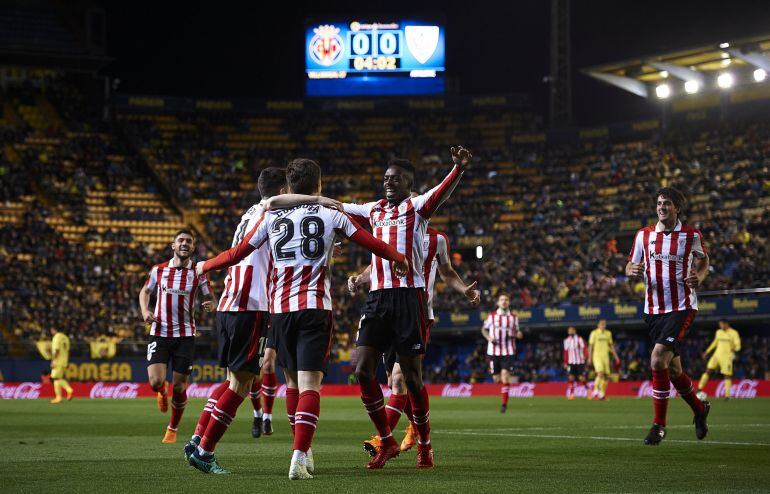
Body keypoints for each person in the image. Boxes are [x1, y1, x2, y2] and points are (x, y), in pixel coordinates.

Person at [192, 158, 409, 478]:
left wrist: (205, 266)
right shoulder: (331, 213)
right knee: (310, 385)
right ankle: (298, 457)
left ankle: (301, 454)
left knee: (291, 382)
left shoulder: (272, 216)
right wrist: (397, 256)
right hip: (314, 308)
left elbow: (237, 253)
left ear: (290, 187)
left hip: (279, 312)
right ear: (319, 185)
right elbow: (370, 241)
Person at [342, 146, 472, 469]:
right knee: (361, 368)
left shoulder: (417, 208)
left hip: (410, 301)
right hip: (378, 299)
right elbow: (339, 208)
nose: (389, 183)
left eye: (396, 179)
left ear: (408, 185)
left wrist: (457, 169)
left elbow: (441, 193)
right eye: (386, 178)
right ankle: (386, 441)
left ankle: (425, 446)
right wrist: (310, 201)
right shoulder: (373, 211)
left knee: (411, 379)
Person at [351, 225, 480, 455]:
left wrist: (465, 290)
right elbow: (376, 265)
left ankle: (382, 441)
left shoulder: (437, 239)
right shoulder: (389, 231)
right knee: (394, 382)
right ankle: (415, 426)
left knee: (401, 380)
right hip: (387, 312)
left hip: (417, 314)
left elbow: (447, 273)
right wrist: (360, 279)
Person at [626, 186, 710, 445]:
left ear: (678, 208)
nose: (662, 207)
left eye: (667, 204)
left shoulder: (691, 234)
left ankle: (658, 426)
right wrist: (631, 271)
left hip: (681, 306)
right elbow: (631, 264)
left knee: (657, 359)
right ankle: (699, 409)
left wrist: (700, 277)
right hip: (652, 310)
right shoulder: (644, 235)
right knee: (673, 370)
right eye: (659, 203)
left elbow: (703, 260)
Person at [138, 229, 214, 444]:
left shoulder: (199, 272)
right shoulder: (158, 270)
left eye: (189, 241)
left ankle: (172, 428)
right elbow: (145, 291)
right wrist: (145, 311)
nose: (184, 244)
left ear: (193, 247)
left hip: (185, 335)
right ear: (173, 245)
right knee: (155, 382)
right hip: (160, 333)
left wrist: (210, 303)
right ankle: (161, 392)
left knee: (180, 387)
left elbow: (210, 296)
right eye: (180, 240)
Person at [481, 294, 523, 413]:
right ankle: (505, 386)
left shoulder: (514, 317)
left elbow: (516, 331)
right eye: (502, 300)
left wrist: (518, 334)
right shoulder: (492, 316)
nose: (504, 301)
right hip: (493, 352)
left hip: (508, 351)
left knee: (505, 376)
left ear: (509, 302)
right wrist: (489, 337)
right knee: (496, 379)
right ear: (498, 303)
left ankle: (504, 405)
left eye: (506, 300)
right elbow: (483, 329)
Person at [698, 319, 741, 399]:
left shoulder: (734, 333)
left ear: (726, 324)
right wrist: (707, 352)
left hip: (727, 357)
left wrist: (734, 349)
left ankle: (727, 395)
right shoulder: (718, 332)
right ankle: (699, 388)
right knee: (708, 370)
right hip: (716, 355)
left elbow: (738, 345)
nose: (720, 326)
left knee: (727, 375)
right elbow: (714, 343)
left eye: (721, 324)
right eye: (720, 324)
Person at [587, 319, 620, 400]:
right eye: (601, 324)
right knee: (600, 373)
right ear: (598, 325)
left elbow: (611, 346)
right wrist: (589, 357)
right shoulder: (594, 333)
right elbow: (590, 346)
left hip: (606, 357)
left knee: (606, 376)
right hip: (597, 356)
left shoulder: (608, 333)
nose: (603, 325)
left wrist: (616, 356)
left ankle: (601, 394)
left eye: (604, 324)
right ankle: (595, 392)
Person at [563, 326, 588, 400]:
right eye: (569, 330)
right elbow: (565, 352)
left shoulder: (580, 339)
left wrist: (586, 356)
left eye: (571, 330)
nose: (570, 332)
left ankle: (588, 390)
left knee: (581, 378)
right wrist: (565, 362)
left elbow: (584, 348)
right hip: (570, 362)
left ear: (574, 331)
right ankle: (571, 394)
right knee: (570, 377)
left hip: (579, 361)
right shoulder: (566, 341)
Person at [49, 327, 73, 404]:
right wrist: (67, 361)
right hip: (64, 361)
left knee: (56, 378)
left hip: (58, 361)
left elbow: (56, 350)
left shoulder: (56, 337)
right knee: (57, 379)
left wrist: (53, 360)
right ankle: (58, 397)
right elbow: (68, 351)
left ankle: (69, 390)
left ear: (54, 329)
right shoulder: (66, 338)